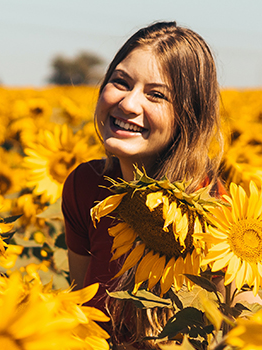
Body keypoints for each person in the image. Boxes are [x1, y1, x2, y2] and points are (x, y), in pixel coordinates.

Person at [62, 22, 224, 348]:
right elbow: (81, 312)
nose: (129, 104)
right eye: (120, 82)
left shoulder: (216, 212)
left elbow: (221, 330)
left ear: (188, 115)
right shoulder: (86, 187)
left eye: (156, 95)